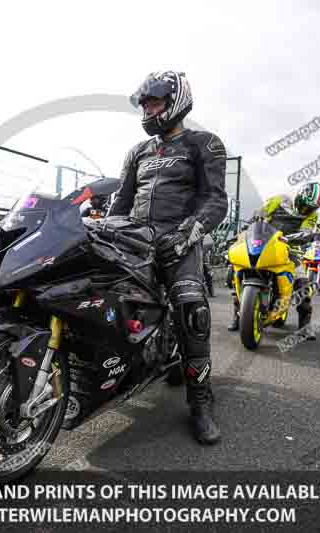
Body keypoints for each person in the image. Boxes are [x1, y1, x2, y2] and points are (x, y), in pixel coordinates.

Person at [107, 70, 227, 445]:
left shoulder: (204, 144)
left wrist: (187, 233)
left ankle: (201, 402)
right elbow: (120, 202)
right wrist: (104, 229)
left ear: (176, 102)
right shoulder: (137, 152)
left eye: (155, 103)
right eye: (144, 105)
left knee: (193, 311)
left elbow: (216, 200)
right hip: (135, 242)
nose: (148, 111)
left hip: (179, 242)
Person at [228, 182, 320, 340]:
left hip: (289, 248)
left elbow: (306, 231)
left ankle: (305, 326)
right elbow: (260, 214)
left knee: (303, 283)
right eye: (304, 205)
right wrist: (248, 227)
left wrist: (301, 237)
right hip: (264, 241)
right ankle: (239, 315)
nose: (305, 210)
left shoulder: (312, 216)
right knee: (236, 269)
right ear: (298, 197)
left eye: (310, 208)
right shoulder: (280, 200)